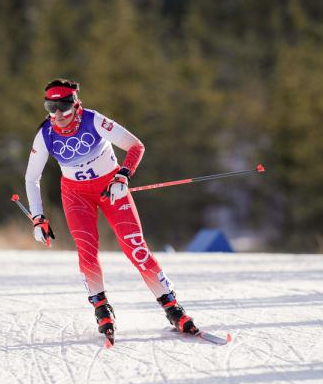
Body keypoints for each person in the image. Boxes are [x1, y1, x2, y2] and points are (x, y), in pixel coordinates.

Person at [24, 78, 198, 343]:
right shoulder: (45, 134)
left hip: (111, 188)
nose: (57, 115)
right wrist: (38, 217)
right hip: (75, 195)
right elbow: (31, 178)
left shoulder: (93, 120)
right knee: (87, 251)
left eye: (63, 107)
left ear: (76, 104)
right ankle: (102, 309)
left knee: (136, 248)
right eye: (51, 107)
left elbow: (135, 146)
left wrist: (123, 177)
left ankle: (173, 308)